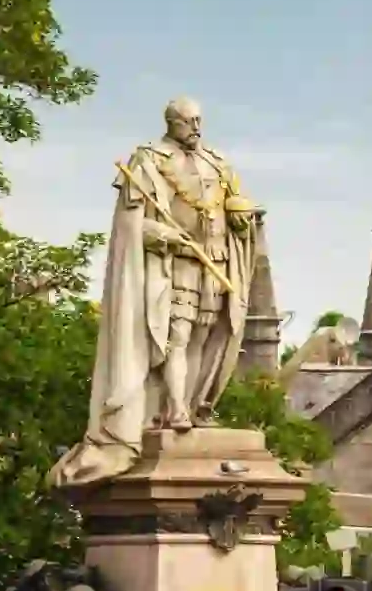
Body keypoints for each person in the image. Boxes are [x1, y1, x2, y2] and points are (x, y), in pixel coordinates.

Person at [49, 97, 259, 488]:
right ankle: (175, 409)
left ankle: (190, 405)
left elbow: (239, 215)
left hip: (215, 261)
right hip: (173, 265)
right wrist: (165, 235)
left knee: (204, 336)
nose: (196, 127)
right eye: (188, 121)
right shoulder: (148, 161)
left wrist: (243, 222)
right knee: (176, 338)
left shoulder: (219, 163)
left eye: (200, 120)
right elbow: (132, 227)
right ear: (171, 123)